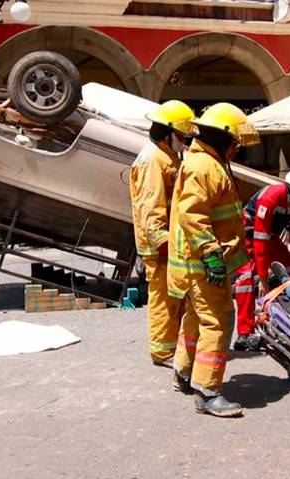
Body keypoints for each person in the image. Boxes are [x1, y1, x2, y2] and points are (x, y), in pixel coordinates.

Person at [168, 102, 258, 418]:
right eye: (234, 142)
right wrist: (212, 256)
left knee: (195, 318)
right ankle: (207, 392)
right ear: (223, 136)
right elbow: (194, 215)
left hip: (196, 264)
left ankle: (183, 371)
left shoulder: (205, 162)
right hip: (204, 264)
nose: (236, 149)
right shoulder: (204, 167)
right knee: (218, 321)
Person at [129, 100, 195, 368]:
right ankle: (162, 352)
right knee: (163, 299)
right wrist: (162, 242)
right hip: (159, 246)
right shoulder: (153, 160)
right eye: (181, 135)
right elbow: (151, 206)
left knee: (174, 297)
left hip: (170, 242)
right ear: (168, 131)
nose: (184, 140)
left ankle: (171, 345)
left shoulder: (165, 155)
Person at [232, 167, 290, 351]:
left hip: (270, 236)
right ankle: (245, 331)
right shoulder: (270, 198)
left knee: (289, 272)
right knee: (245, 280)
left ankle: (287, 317)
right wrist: (264, 282)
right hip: (249, 236)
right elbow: (260, 242)